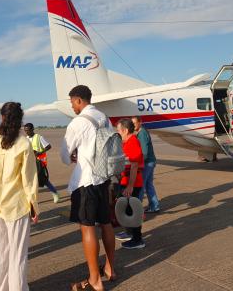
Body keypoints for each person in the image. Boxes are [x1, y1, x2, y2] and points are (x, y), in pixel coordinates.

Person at [61, 85, 116, 291]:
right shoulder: (105, 118)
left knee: (87, 227)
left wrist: (74, 157)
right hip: (104, 179)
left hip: (86, 182)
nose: (72, 106)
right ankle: (110, 268)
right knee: (106, 223)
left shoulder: (78, 122)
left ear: (78, 100)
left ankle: (95, 279)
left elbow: (65, 155)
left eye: (72, 102)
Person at [0, 102, 39, 291]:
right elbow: (29, 179)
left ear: (2, 117)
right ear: (20, 119)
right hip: (16, 204)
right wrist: (34, 203)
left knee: (0, 252)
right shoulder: (24, 143)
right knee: (18, 255)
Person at [115, 118, 146, 249]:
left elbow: (134, 166)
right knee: (127, 209)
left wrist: (130, 186)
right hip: (125, 180)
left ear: (126, 130)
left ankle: (138, 239)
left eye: (119, 130)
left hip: (132, 182)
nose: (118, 133)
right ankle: (129, 233)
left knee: (134, 210)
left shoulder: (133, 142)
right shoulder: (126, 142)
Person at [24, 122, 60, 203]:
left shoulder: (39, 137)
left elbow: (49, 146)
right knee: (30, 180)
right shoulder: (26, 138)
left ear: (32, 129)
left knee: (43, 180)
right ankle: (32, 200)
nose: (27, 132)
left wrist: (39, 152)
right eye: (25, 131)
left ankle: (55, 193)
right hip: (30, 162)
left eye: (28, 130)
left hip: (40, 162)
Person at [131, 116, 161, 213]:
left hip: (147, 163)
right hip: (150, 162)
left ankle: (137, 208)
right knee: (148, 185)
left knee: (141, 186)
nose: (133, 125)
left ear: (140, 122)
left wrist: (139, 164)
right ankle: (154, 205)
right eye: (132, 124)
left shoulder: (142, 134)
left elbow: (144, 152)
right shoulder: (141, 132)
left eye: (135, 123)